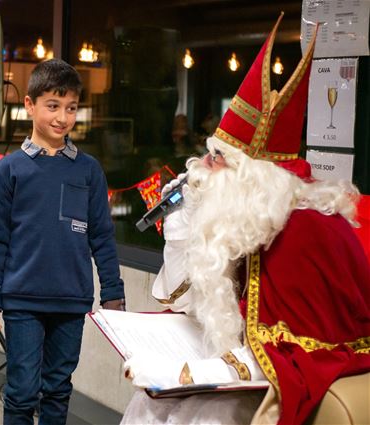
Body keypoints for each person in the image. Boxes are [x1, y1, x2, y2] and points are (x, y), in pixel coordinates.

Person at [121, 15, 370, 425]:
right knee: (147, 405)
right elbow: (183, 300)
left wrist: (186, 374)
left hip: (278, 378)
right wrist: (183, 228)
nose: (200, 167)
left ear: (252, 178)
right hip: (238, 366)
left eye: (217, 159)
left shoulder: (304, 231)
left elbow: (290, 355)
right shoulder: (243, 216)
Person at [0, 58, 126, 425]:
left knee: (58, 389)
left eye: (71, 108)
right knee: (23, 391)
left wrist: (113, 290)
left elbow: (101, 235)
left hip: (71, 299)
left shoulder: (88, 170)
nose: (62, 117)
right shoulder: (9, 169)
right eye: (53, 106)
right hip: (21, 298)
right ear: (29, 105)